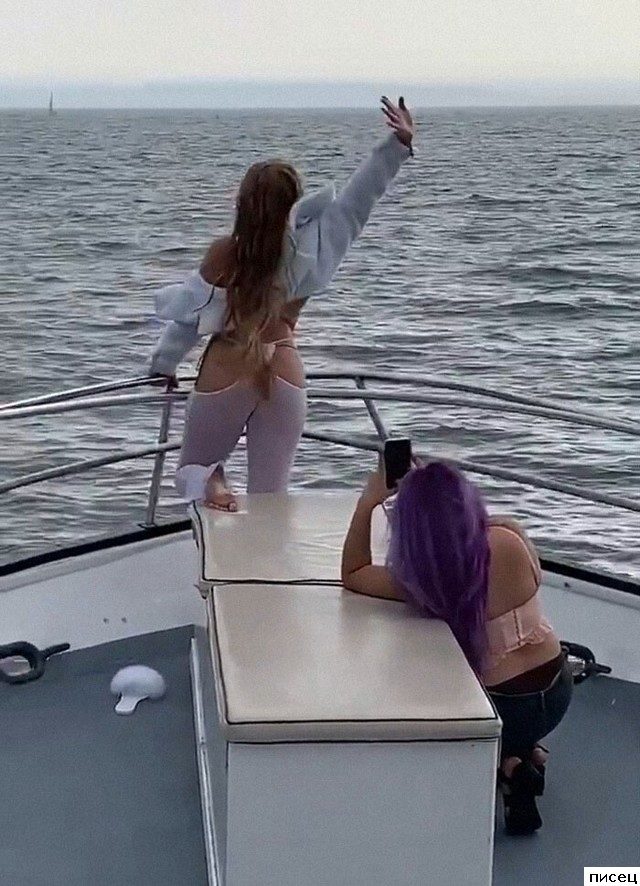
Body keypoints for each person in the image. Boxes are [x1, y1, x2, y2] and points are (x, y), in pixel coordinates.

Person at [148, 97, 415, 511]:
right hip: (285, 366)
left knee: (193, 469)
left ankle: (213, 480)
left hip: (230, 362)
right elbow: (359, 199)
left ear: (242, 204)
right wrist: (397, 145)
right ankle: (263, 546)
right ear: (293, 202)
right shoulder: (315, 245)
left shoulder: (225, 254)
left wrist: (163, 366)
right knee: (271, 496)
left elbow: (187, 321)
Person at [341, 461, 573, 836]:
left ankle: (511, 764)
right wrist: (436, 488)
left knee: (435, 693)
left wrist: (368, 502)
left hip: (503, 707)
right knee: (520, 709)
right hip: (558, 690)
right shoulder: (510, 537)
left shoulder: (424, 578)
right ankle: (525, 753)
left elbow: (353, 573)